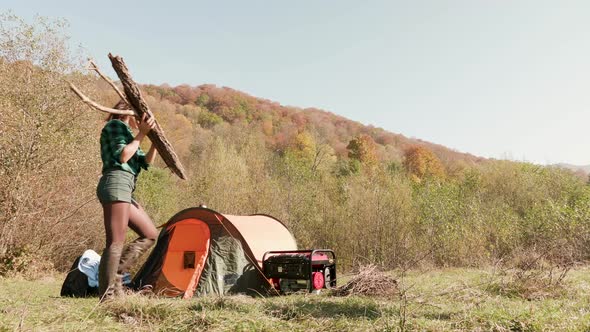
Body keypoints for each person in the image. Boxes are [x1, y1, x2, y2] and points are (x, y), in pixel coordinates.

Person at [96, 101, 158, 301]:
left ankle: (117, 279)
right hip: (115, 182)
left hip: (126, 188)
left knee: (150, 234)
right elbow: (123, 156)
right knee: (115, 242)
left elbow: (145, 162)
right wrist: (141, 134)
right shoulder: (115, 126)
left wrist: (154, 140)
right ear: (129, 112)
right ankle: (108, 296)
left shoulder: (130, 135)